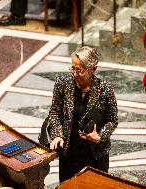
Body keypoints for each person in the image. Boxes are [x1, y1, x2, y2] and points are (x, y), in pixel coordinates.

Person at [48, 46, 118, 182]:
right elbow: (54, 112)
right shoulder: (62, 84)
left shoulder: (105, 89)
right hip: (69, 152)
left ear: (93, 69)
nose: (74, 74)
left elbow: (112, 120)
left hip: (95, 155)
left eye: (79, 70)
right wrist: (57, 134)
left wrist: (101, 136)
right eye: (72, 68)